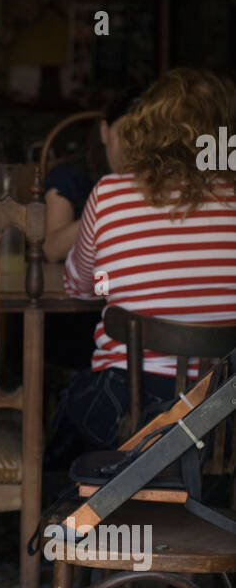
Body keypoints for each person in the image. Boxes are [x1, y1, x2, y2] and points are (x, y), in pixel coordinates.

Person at [49, 67, 236, 461]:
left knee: (69, 411)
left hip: (128, 409)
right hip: (225, 414)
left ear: (146, 128)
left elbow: (78, 287)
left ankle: (89, 507)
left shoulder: (111, 193)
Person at [42, 89, 140, 264]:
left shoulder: (165, 180)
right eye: (126, 133)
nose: (134, 144)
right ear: (104, 131)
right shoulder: (69, 176)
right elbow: (52, 250)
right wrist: (113, 211)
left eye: (145, 135)